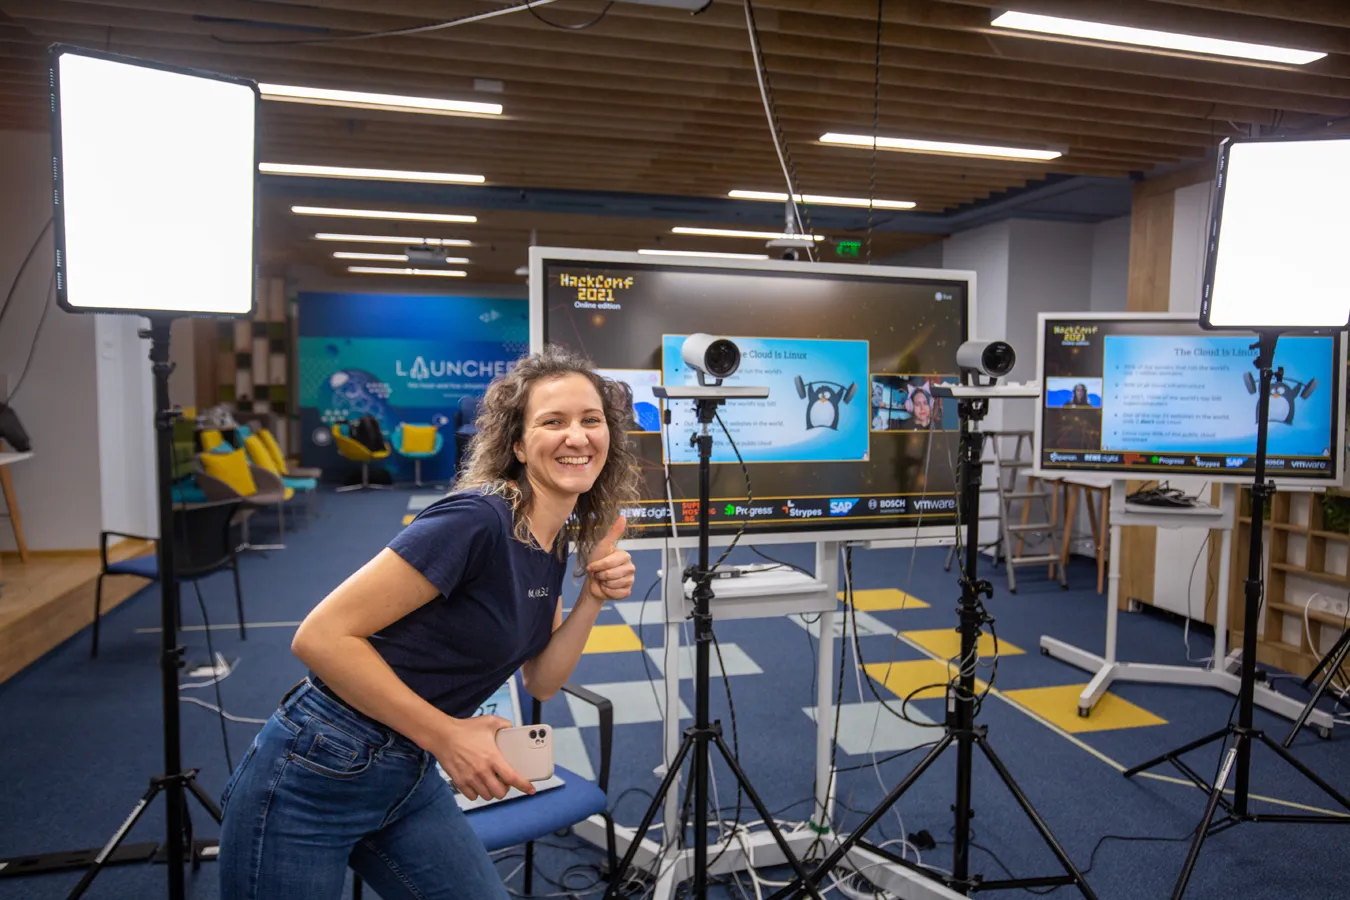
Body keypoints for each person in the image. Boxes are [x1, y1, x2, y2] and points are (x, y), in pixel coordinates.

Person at [218, 346, 641, 900]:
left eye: (591, 420)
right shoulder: (477, 519)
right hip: (315, 768)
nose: (578, 436)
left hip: (407, 768)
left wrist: (592, 598)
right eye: (553, 422)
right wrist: (447, 735)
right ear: (517, 444)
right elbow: (320, 636)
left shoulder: (552, 540)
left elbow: (541, 681)